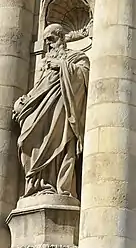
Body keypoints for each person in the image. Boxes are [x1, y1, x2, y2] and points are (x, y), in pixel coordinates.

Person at [12, 24, 90, 197]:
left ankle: (59, 187)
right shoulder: (45, 65)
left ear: (61, 38)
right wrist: (24, 102)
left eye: (51, 40)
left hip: (63, 109)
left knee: (62, 145)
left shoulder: (77, 57)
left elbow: (84, 76)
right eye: (46, 41)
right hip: (43, 109)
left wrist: (61, 65)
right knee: (25, 140)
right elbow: (41, 88)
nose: (49, 45)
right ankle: (36, 184)